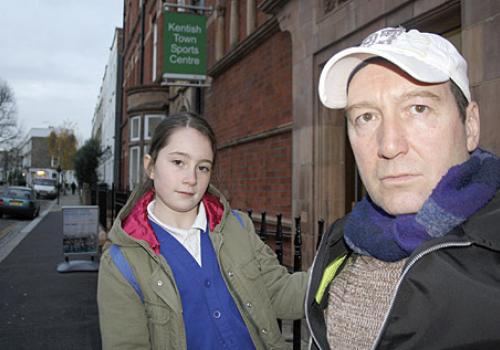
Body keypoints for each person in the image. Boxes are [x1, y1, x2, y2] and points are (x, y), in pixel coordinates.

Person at [306, 27, 500, 349]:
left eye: (418, 109)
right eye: (366, 117)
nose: (390, 145)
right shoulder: (342, 242)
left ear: (470, 125)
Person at [97, 112, 307, 350]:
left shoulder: (237, 227)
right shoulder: (121, 263)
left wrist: (341, 271)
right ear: (151, 166)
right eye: (178, 162)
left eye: (203, 167)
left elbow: (281, 293)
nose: (191, 178)